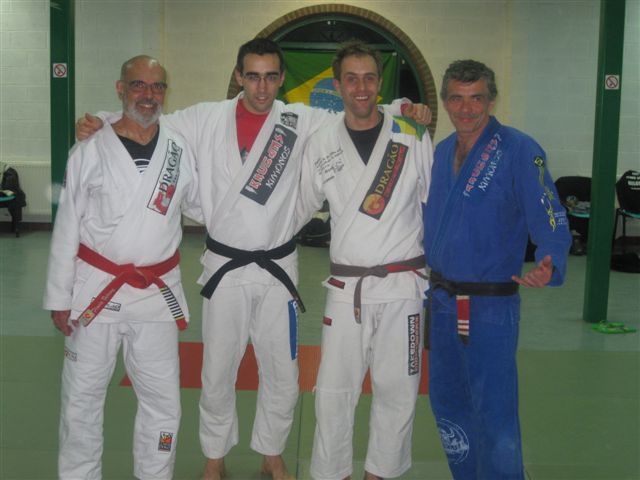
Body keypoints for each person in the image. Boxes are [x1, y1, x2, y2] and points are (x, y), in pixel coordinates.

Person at [76, 38, 431, 480]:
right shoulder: (206, 117)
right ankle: (214, 456)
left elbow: (361, 110)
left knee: (282, 370)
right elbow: (150, 116)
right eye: (253, 76)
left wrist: (406, 108)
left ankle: (272, 453)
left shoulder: (299, 119)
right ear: (239, 77)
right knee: (217, 369)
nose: (262, 87)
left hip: (277, 269)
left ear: (281, 79)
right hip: (224, 268)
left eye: (270, 77)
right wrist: (103, 120)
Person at [43, 55, 202, 479]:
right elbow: (67, 225)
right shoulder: (90, 148)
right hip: (96, 290)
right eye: (138, 85)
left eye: (157, 86)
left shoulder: (179, 148)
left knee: (163, 402)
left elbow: (200, 204)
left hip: (156, 294)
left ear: (166, 92)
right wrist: (59, 296)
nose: (148, 95)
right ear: (120, 88)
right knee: (81, 399)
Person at [423, 59, 571, 479]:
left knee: (495, 414)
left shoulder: (519, 149)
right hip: (442, 302)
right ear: (445, 101)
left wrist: (550, 258)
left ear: (491, 100)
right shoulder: (440, 152)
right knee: (448, 406)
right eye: (457, 98)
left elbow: (550, 212)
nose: (466, 109)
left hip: (490, 307)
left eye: (476, 98)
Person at [296, 41, 434, 480]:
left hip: (403, 286)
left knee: (399, 389)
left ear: (380, 82)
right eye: (351, 79)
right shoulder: (321, 142)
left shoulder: (410, 133)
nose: (361, 87)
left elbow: (433, 201)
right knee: (333, 391)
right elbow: (298, 206)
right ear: (337, 85)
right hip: (347, 288)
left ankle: (381, 473)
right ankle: (332, 472)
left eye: (370, 78)